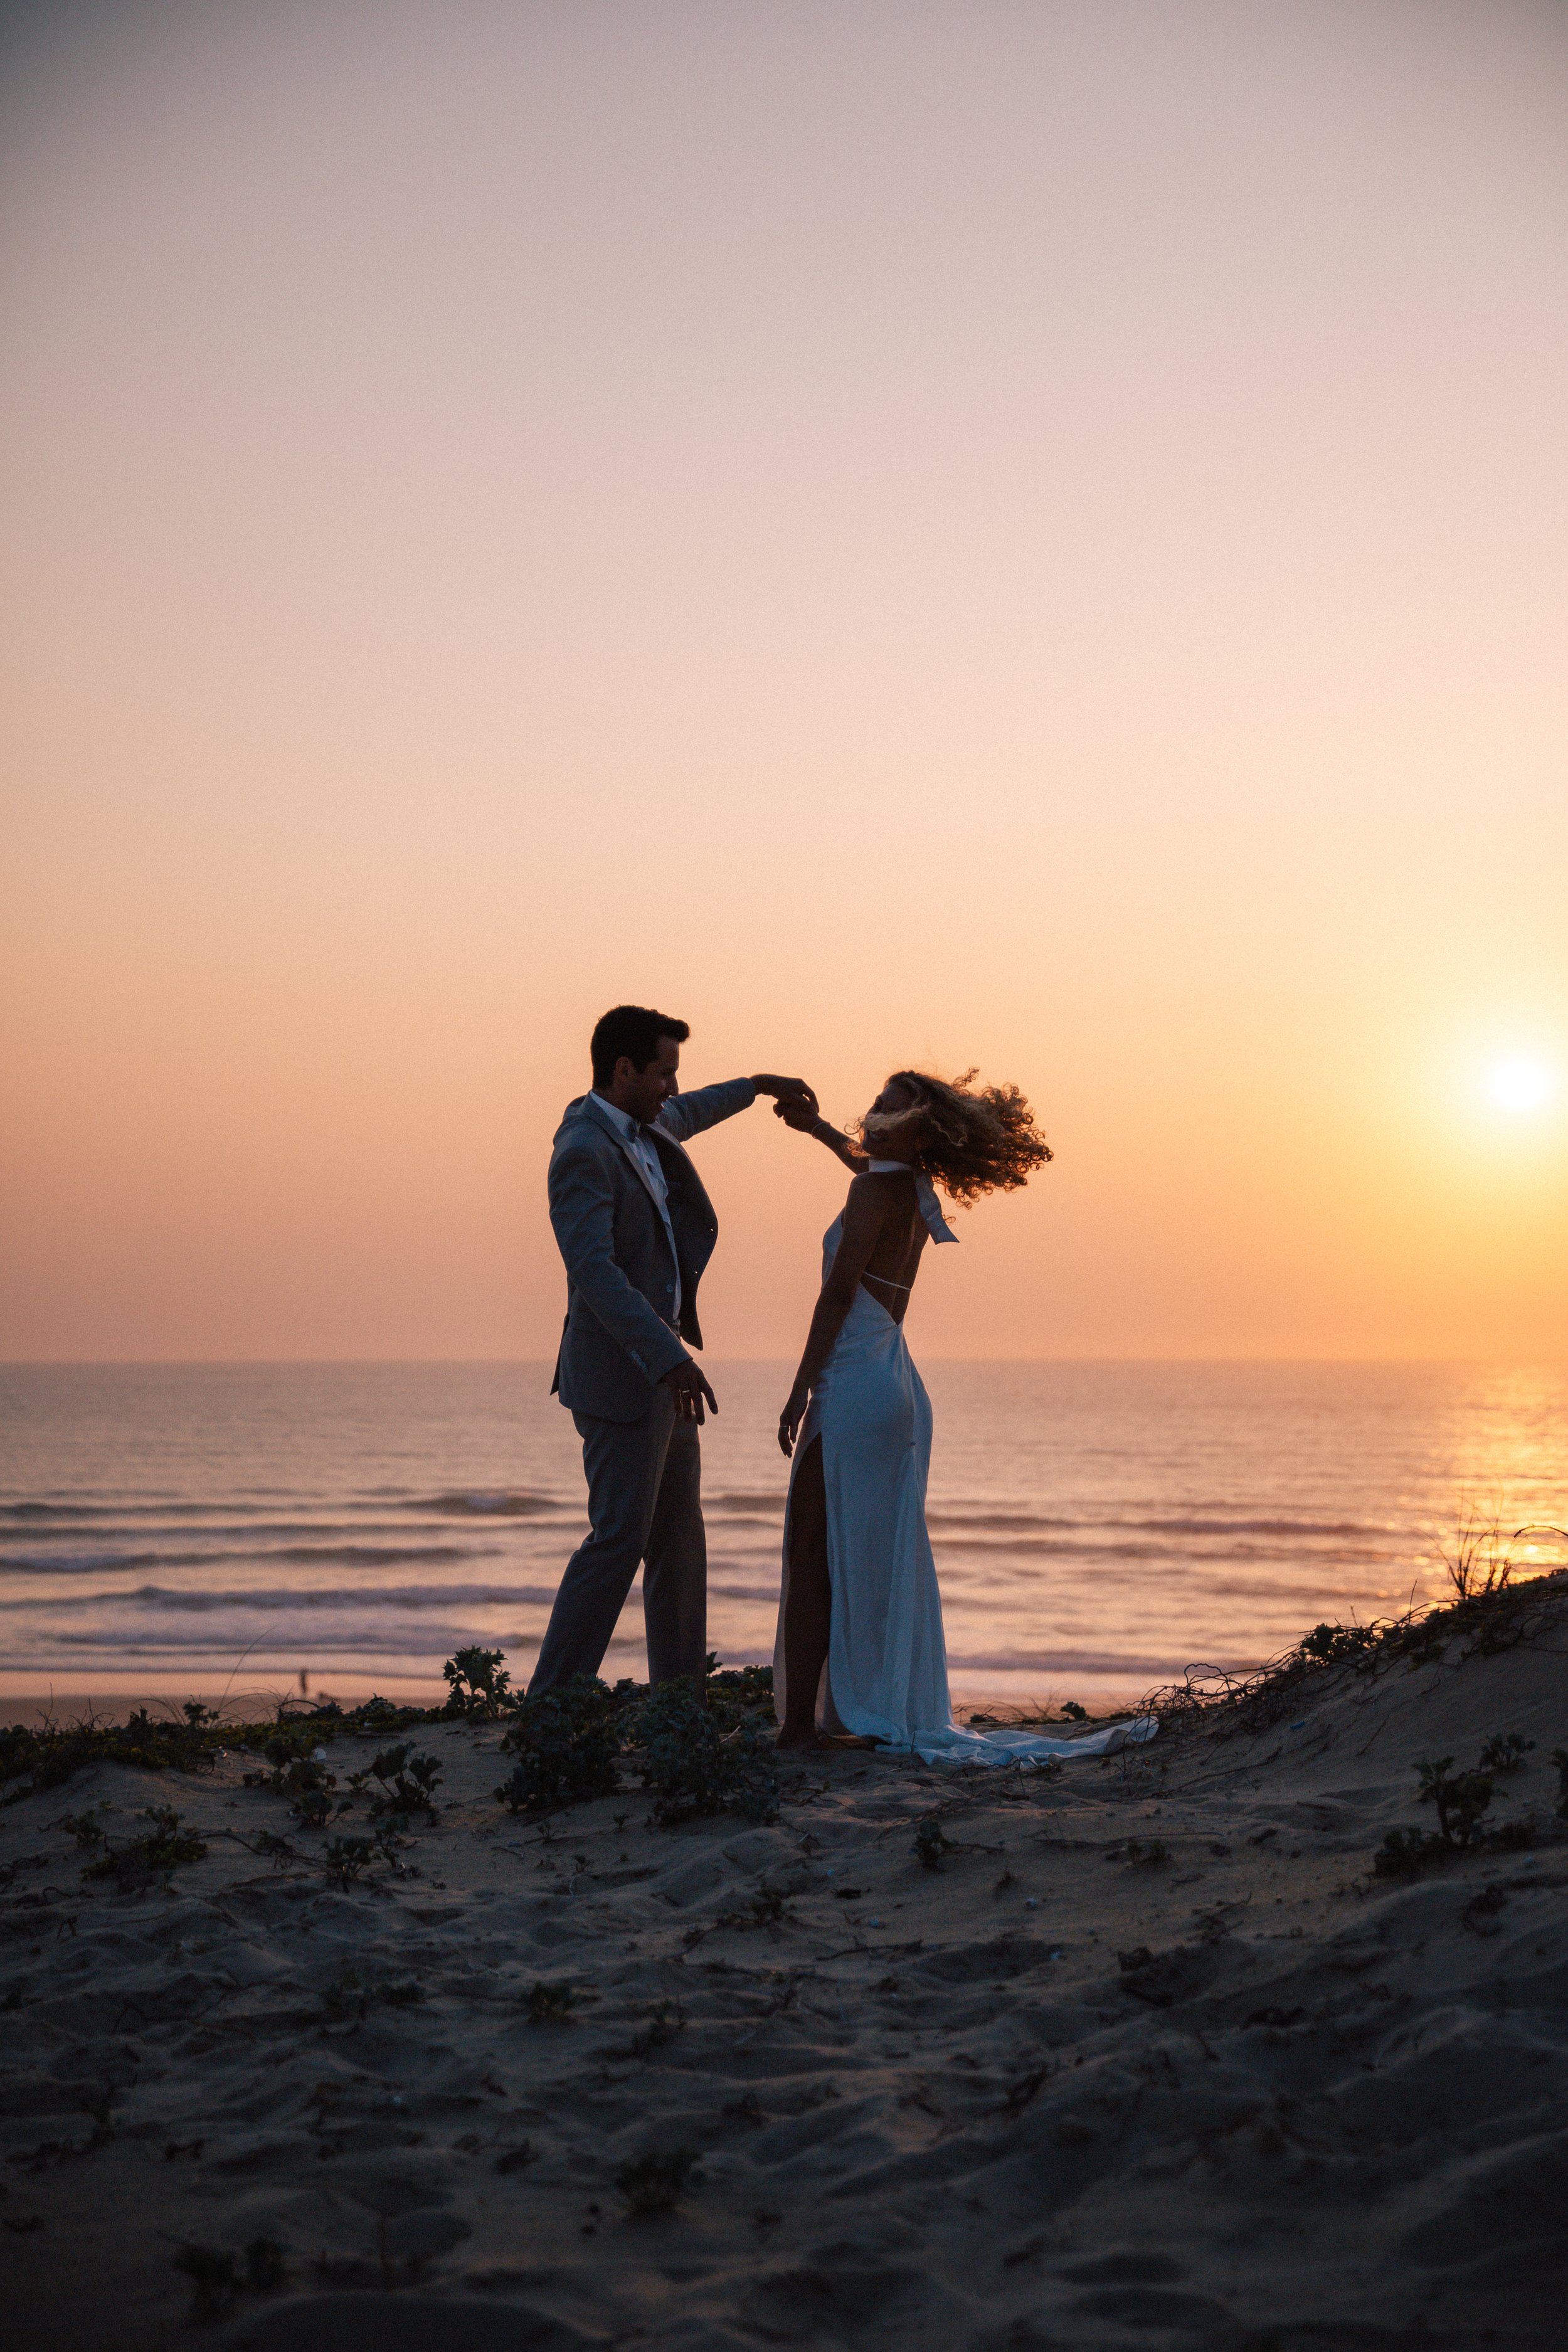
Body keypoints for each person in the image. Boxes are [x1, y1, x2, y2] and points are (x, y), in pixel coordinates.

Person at [773, 1069, 1157, 1763]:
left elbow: (836, 1295)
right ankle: (833, 1712)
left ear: (914, 1127)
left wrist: (800, 1387)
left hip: (854, 1385)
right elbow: (865, 1161)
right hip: (890, 1384)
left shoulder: (875, 1190)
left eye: (886, 1106)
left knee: (812, 1555)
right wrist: (818, 1131)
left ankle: (800, 1730)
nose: (869, 1112)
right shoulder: (905, 1186)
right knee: (850, 1553)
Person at [531, 1004, 817, 1695]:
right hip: (623, 1378)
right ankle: (552, 1699)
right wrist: (668, 1356)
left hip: (668, 1380)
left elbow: (691, 1113)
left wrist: (755, 1086)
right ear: (622, 1068)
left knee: (679, 1545)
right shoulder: (583, 1151)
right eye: (663, 1073)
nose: (672, 1088)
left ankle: (680, 1695)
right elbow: (593, 1274)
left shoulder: (641, 1124)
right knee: (619, 1540)